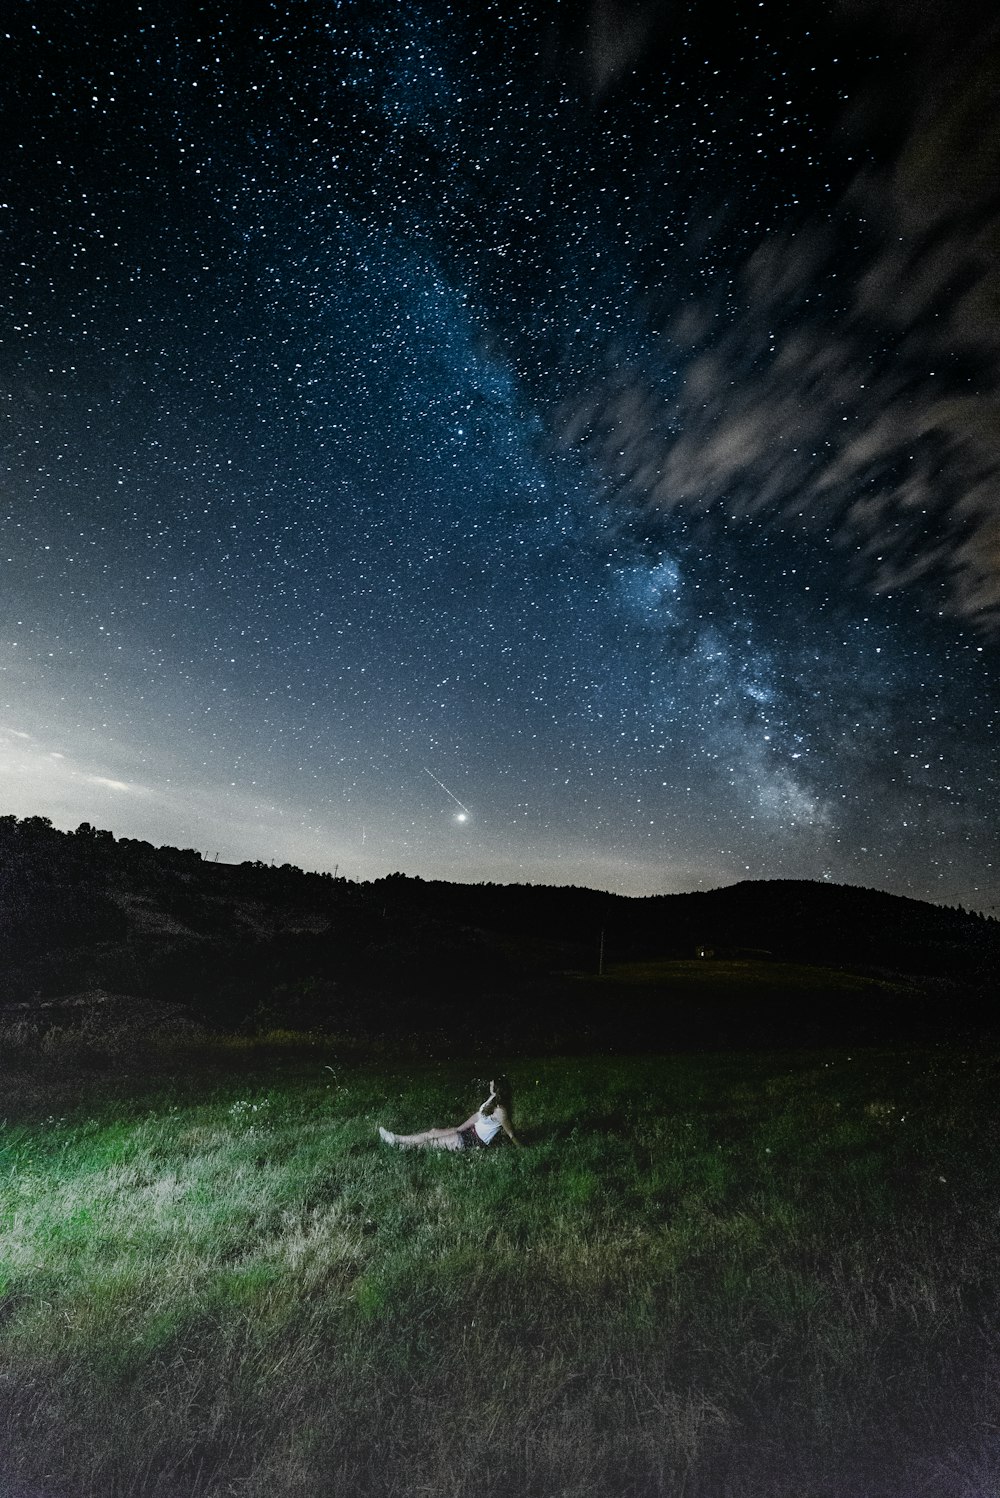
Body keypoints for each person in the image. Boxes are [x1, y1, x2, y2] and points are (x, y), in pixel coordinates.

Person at [378, 1075, 521, 1151]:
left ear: (496, 1087)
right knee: (433, 1132)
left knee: (434, 1143)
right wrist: (459, 1128)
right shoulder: (492, 1099)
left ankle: (402, 1148)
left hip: (474, 1141)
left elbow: (511, 1134)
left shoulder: (501, 1111)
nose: (489, 1085)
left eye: (491, 1084)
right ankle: (395, 1138)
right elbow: (477, 1116)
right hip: (469, 1132)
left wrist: (523, 1149)